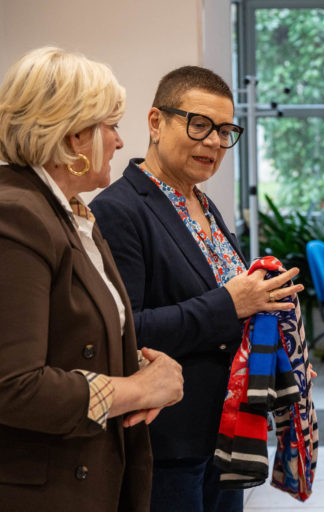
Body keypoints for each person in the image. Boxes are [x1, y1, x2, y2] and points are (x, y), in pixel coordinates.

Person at [90, 66, 304, 512]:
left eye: (225, 131)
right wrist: (230, 302)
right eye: (199, 124)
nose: (213, 142)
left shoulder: (202, 202)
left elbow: (234, 320)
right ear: (155, 122)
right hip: (170, 441)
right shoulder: (119, 210)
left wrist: (278, 356)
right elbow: (126, 329)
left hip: (225, 434)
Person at [0, 47, 184, 511]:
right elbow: (13, 386)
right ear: (72, 135)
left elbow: (78, 339)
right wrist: (138, 390)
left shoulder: (72, 213)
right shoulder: (17, 215)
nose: (121, 143)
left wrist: (153, 373)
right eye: (111, 127)